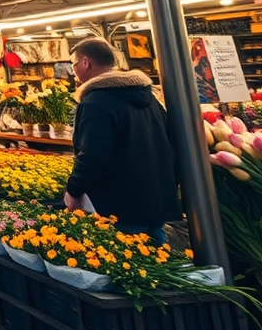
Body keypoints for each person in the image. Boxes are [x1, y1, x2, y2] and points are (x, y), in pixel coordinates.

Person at [64, 37, 181, 245]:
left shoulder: (96, 101)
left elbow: (92, 155)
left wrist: (73, 189)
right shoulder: (150, 98)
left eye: (73, 65)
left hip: (118, 205)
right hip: (154, 199)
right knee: (158, 261)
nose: (73, 71)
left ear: (85, 63)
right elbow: (171, 142)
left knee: (127, 264)